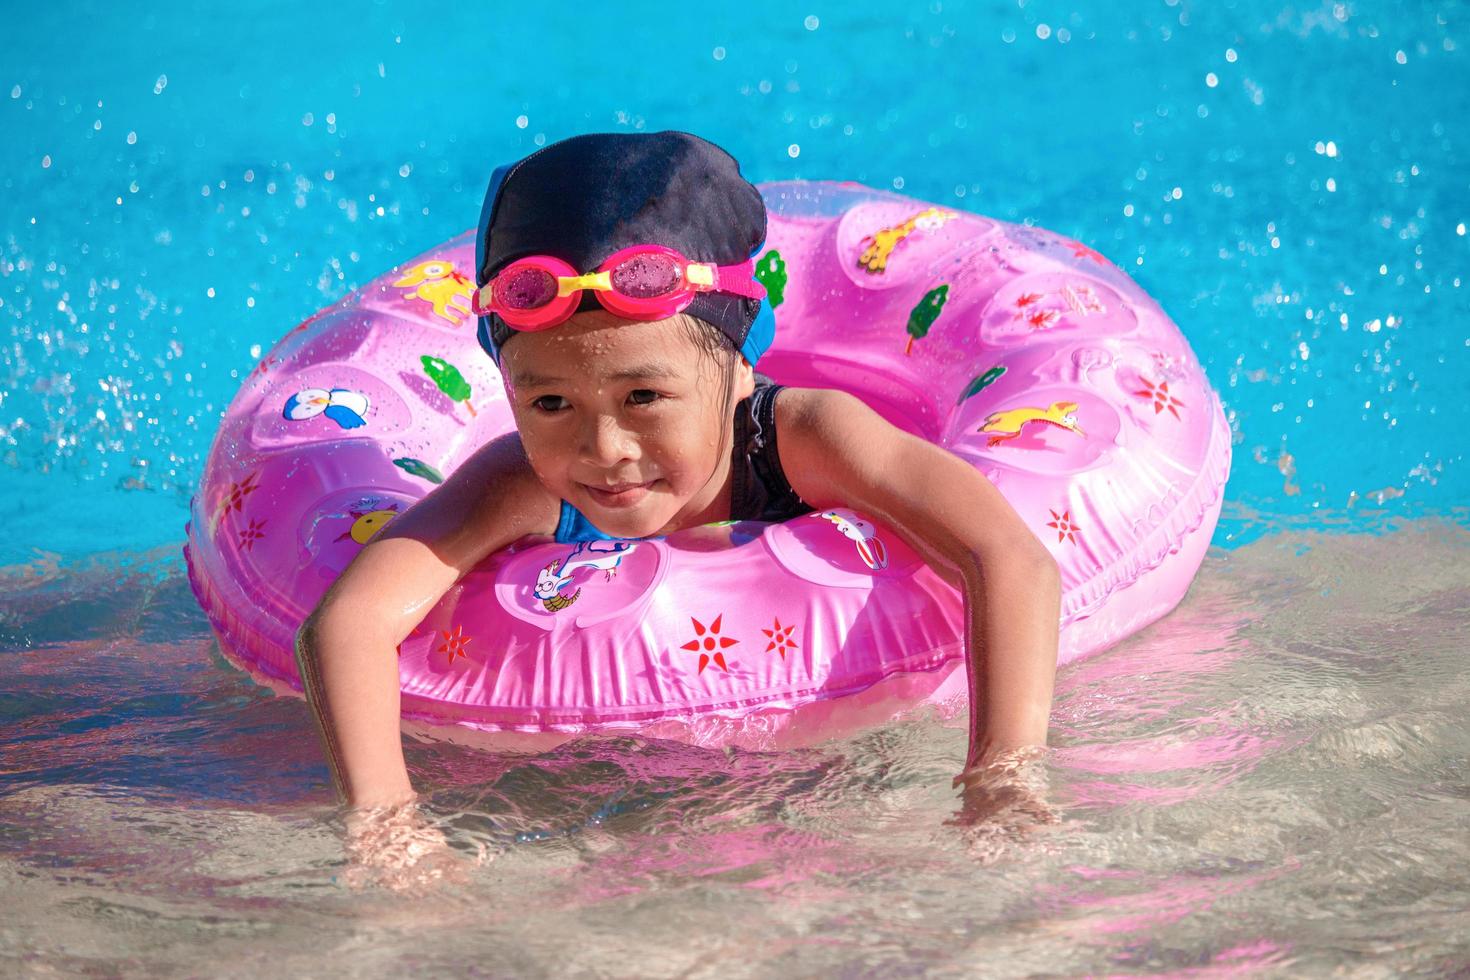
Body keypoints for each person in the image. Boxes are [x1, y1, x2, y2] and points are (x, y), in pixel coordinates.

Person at [295, 131, 1061, 870]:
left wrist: (1001, 775)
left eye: (646, 396)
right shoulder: (516, 483)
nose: (606, 449)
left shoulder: (804, 438)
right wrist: (386, 822)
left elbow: (1005, 554)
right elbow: (347, 624)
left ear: (736, 372)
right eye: (552, 404)